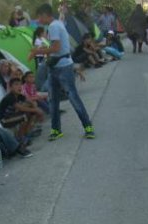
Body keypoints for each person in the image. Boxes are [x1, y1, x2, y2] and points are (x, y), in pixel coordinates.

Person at [30, 3, 95, 140]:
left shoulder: (53, 26)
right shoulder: (57, 24)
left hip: (62, 67)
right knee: (53, 99)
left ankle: (87, 126)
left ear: (44, 15)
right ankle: (56, 129)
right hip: (57, 66)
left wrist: (37, 51)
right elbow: (58, 48)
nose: (38, 20)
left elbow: (56, 47)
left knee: (72, 97)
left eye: (39, 17)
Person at [0, 78, 44, 146]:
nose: (19, 86)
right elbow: (21, 108)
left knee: (32, 112)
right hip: (5, 120)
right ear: (11, 87)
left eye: (20, 84)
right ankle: (20, 139)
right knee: (24, 116)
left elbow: (30, 101)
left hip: (13, 115)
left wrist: (35, 107)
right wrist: (36, 110)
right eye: (16, 84)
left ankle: (27, 133)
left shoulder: (20, 95)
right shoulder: (9, 97)